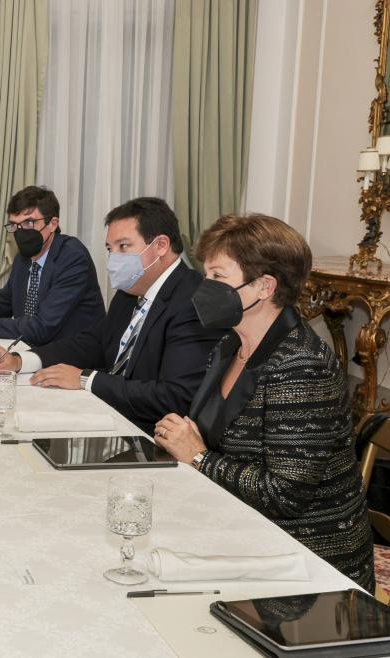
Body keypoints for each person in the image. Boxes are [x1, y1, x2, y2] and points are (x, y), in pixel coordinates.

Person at [154, 214, 374, 590]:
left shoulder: (301, 365)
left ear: (264, 287)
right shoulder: (230, 344)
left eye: (217, 277)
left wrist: (197, 456)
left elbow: (285, 496)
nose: (203, 288)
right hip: (239, 527)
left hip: (304, 560)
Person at [0, 197, 224, 432]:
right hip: (106, 413)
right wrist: (21, 360)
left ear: (160, 245)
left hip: (148, 433)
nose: (113, 258)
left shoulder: (192, 302)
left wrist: (87, 379)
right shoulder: (129, 292)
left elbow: (173, 396)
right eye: (110, 249)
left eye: (124, 246)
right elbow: (95, 343)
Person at [0, 186, 104, 343]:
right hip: (30, 348)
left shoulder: (72, 257)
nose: (21, 232)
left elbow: (42, 327)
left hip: (71, 357)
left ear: (53, 224)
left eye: (29, 223)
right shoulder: (23, 258)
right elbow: (4, 303)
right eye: (15, 225)